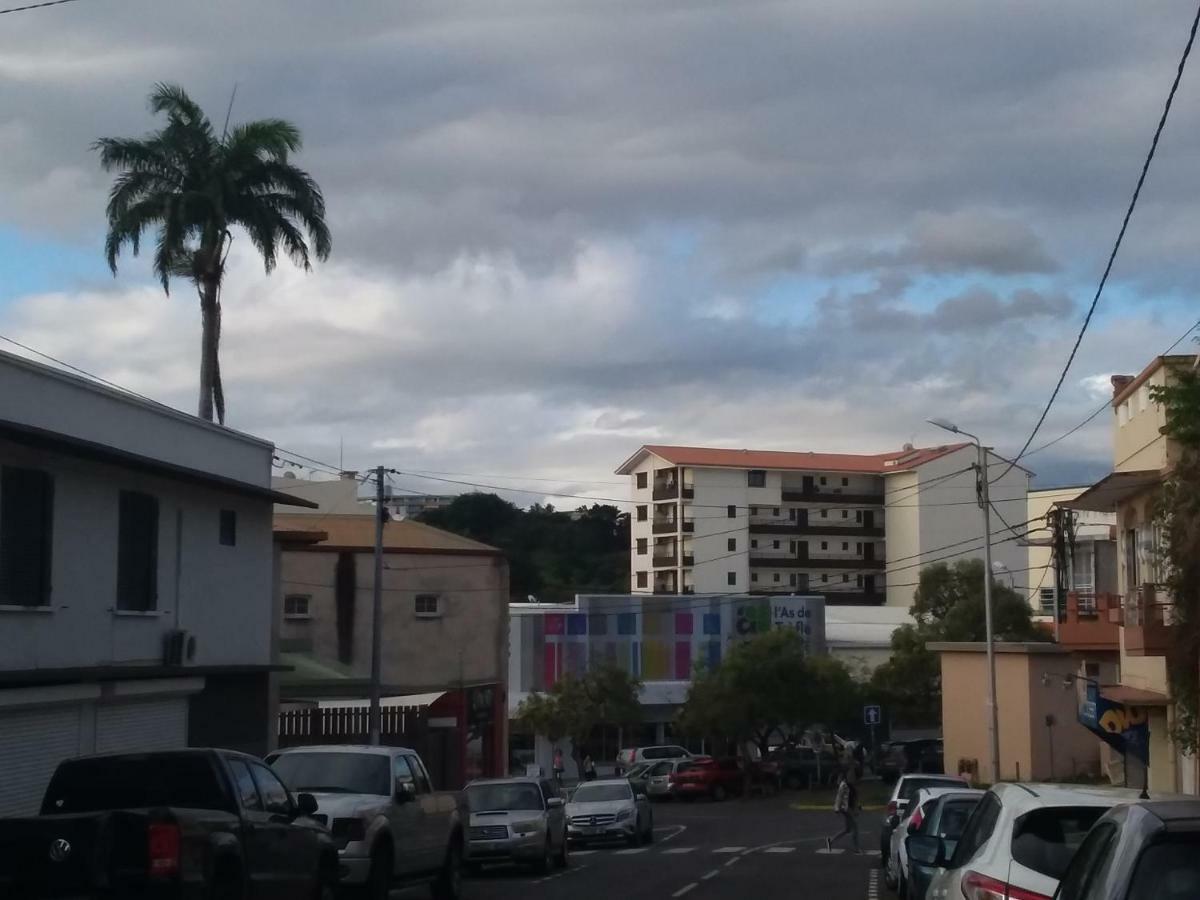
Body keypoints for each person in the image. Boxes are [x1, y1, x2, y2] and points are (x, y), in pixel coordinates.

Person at [825, 771, 861, 853]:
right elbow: (839, 797)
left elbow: (855, 798)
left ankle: (831, 841)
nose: (852, 778)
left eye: (853, 776)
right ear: (847, 777)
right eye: (851, 776)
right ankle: (856, 848)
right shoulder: (843, 785)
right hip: (845, 809)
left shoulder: (853, 786)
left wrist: (857, 807)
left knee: (847, 829)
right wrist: (836, 808)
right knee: (855, 827)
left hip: (850, 808)